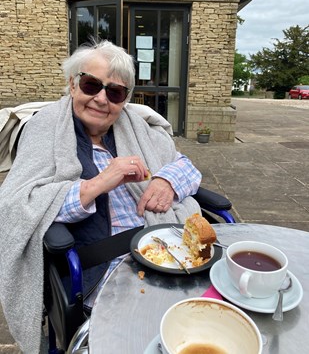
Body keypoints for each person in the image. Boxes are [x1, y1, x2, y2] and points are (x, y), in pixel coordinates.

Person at [0, 39, 202, 353]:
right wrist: (98, 183)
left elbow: (184, 165)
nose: (101, 99)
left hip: (164, 250)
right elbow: (17, 204)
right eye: (91, 85)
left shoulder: (135, 126)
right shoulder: (47, 127)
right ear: (72, 84)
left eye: (115, 92)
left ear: (125, 100)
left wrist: (165, 181)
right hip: (103, 264)